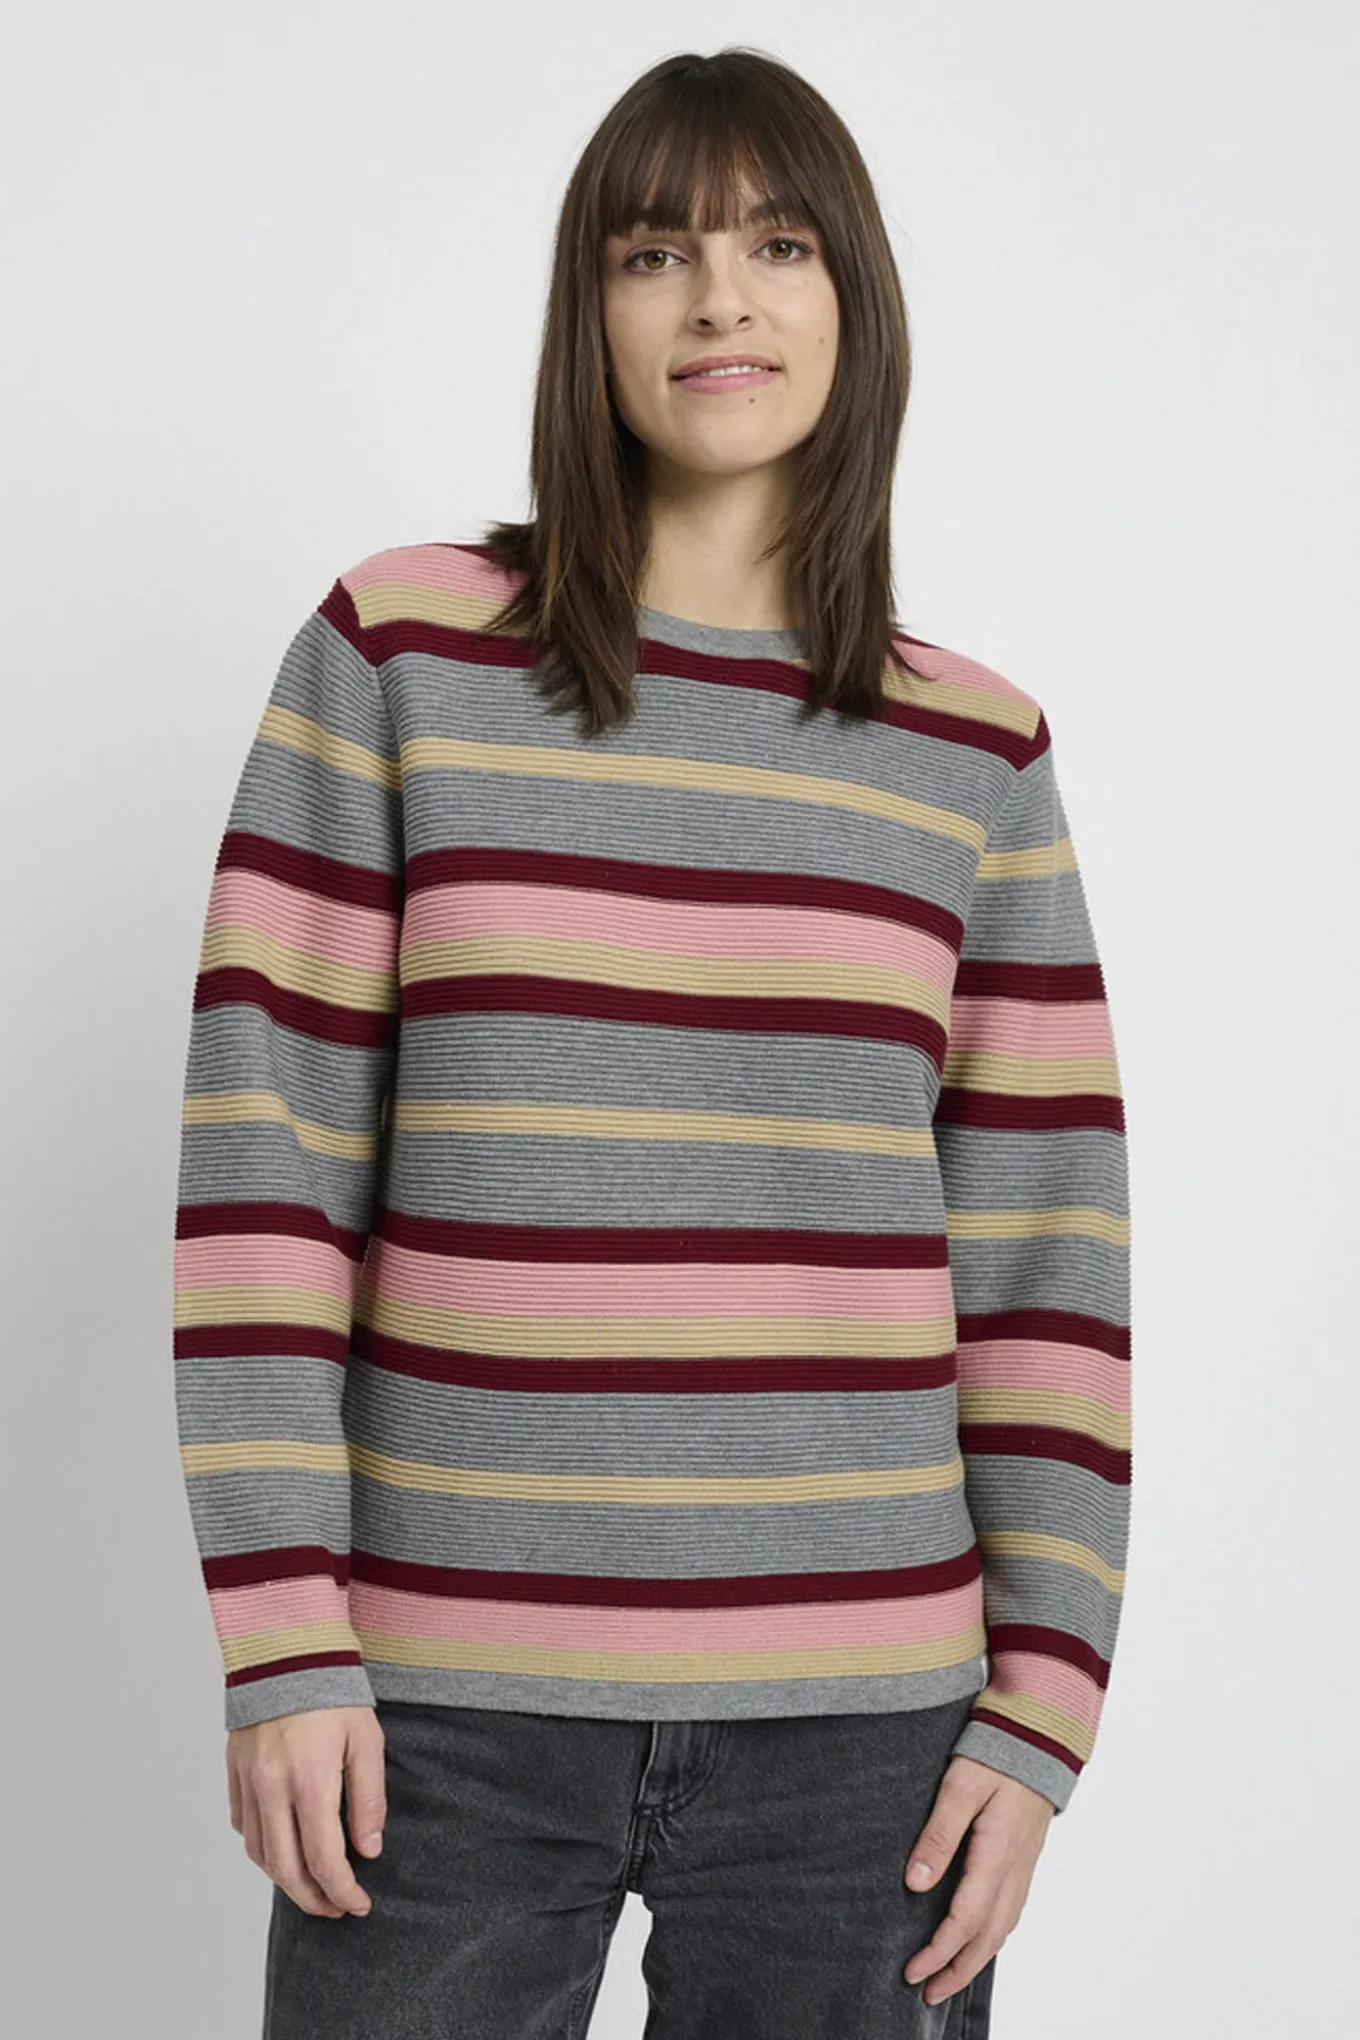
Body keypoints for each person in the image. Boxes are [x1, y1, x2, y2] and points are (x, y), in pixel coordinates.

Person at [172, 45, 1131, 2040]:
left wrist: (1039, 1705)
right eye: (653, 252)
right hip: (437, 1715)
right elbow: (265, 1159)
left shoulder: (973, 752)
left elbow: (1045, 1256)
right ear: (587, 311)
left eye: (778, 246)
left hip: (865, 1744)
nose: (717, 299)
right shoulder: (399, 654)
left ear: (852, 304)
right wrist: (283, 1636)